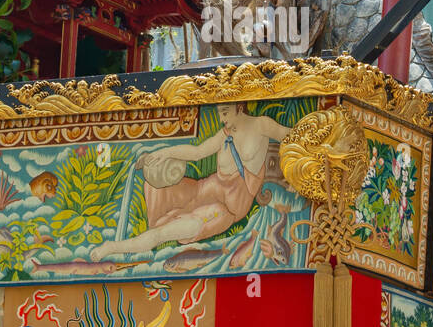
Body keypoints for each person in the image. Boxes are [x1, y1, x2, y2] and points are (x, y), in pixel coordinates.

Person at [91, 103, 289, 259]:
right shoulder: (225, 134)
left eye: (225, 112)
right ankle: (124, 245)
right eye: (220, 113)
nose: (222, 119)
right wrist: (162, 153)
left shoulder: (261, 124)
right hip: (204, 190)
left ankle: (114, 247)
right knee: (160, 188)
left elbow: (290, 135)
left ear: (239, 107)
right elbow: (197, 153)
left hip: (226, 206)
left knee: (171, 230)